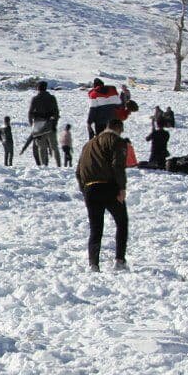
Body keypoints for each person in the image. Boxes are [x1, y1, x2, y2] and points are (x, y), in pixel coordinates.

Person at [75, 117, 129, 272]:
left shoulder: (88, 144)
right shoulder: (116, 141)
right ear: (119, 129)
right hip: (109, 187)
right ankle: (119, 260)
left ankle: (93, 264)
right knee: (121, 222)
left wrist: (84, 190)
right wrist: (121, 187)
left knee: (96, 228)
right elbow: (117, 165)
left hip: (90, 189)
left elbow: (78, 171)